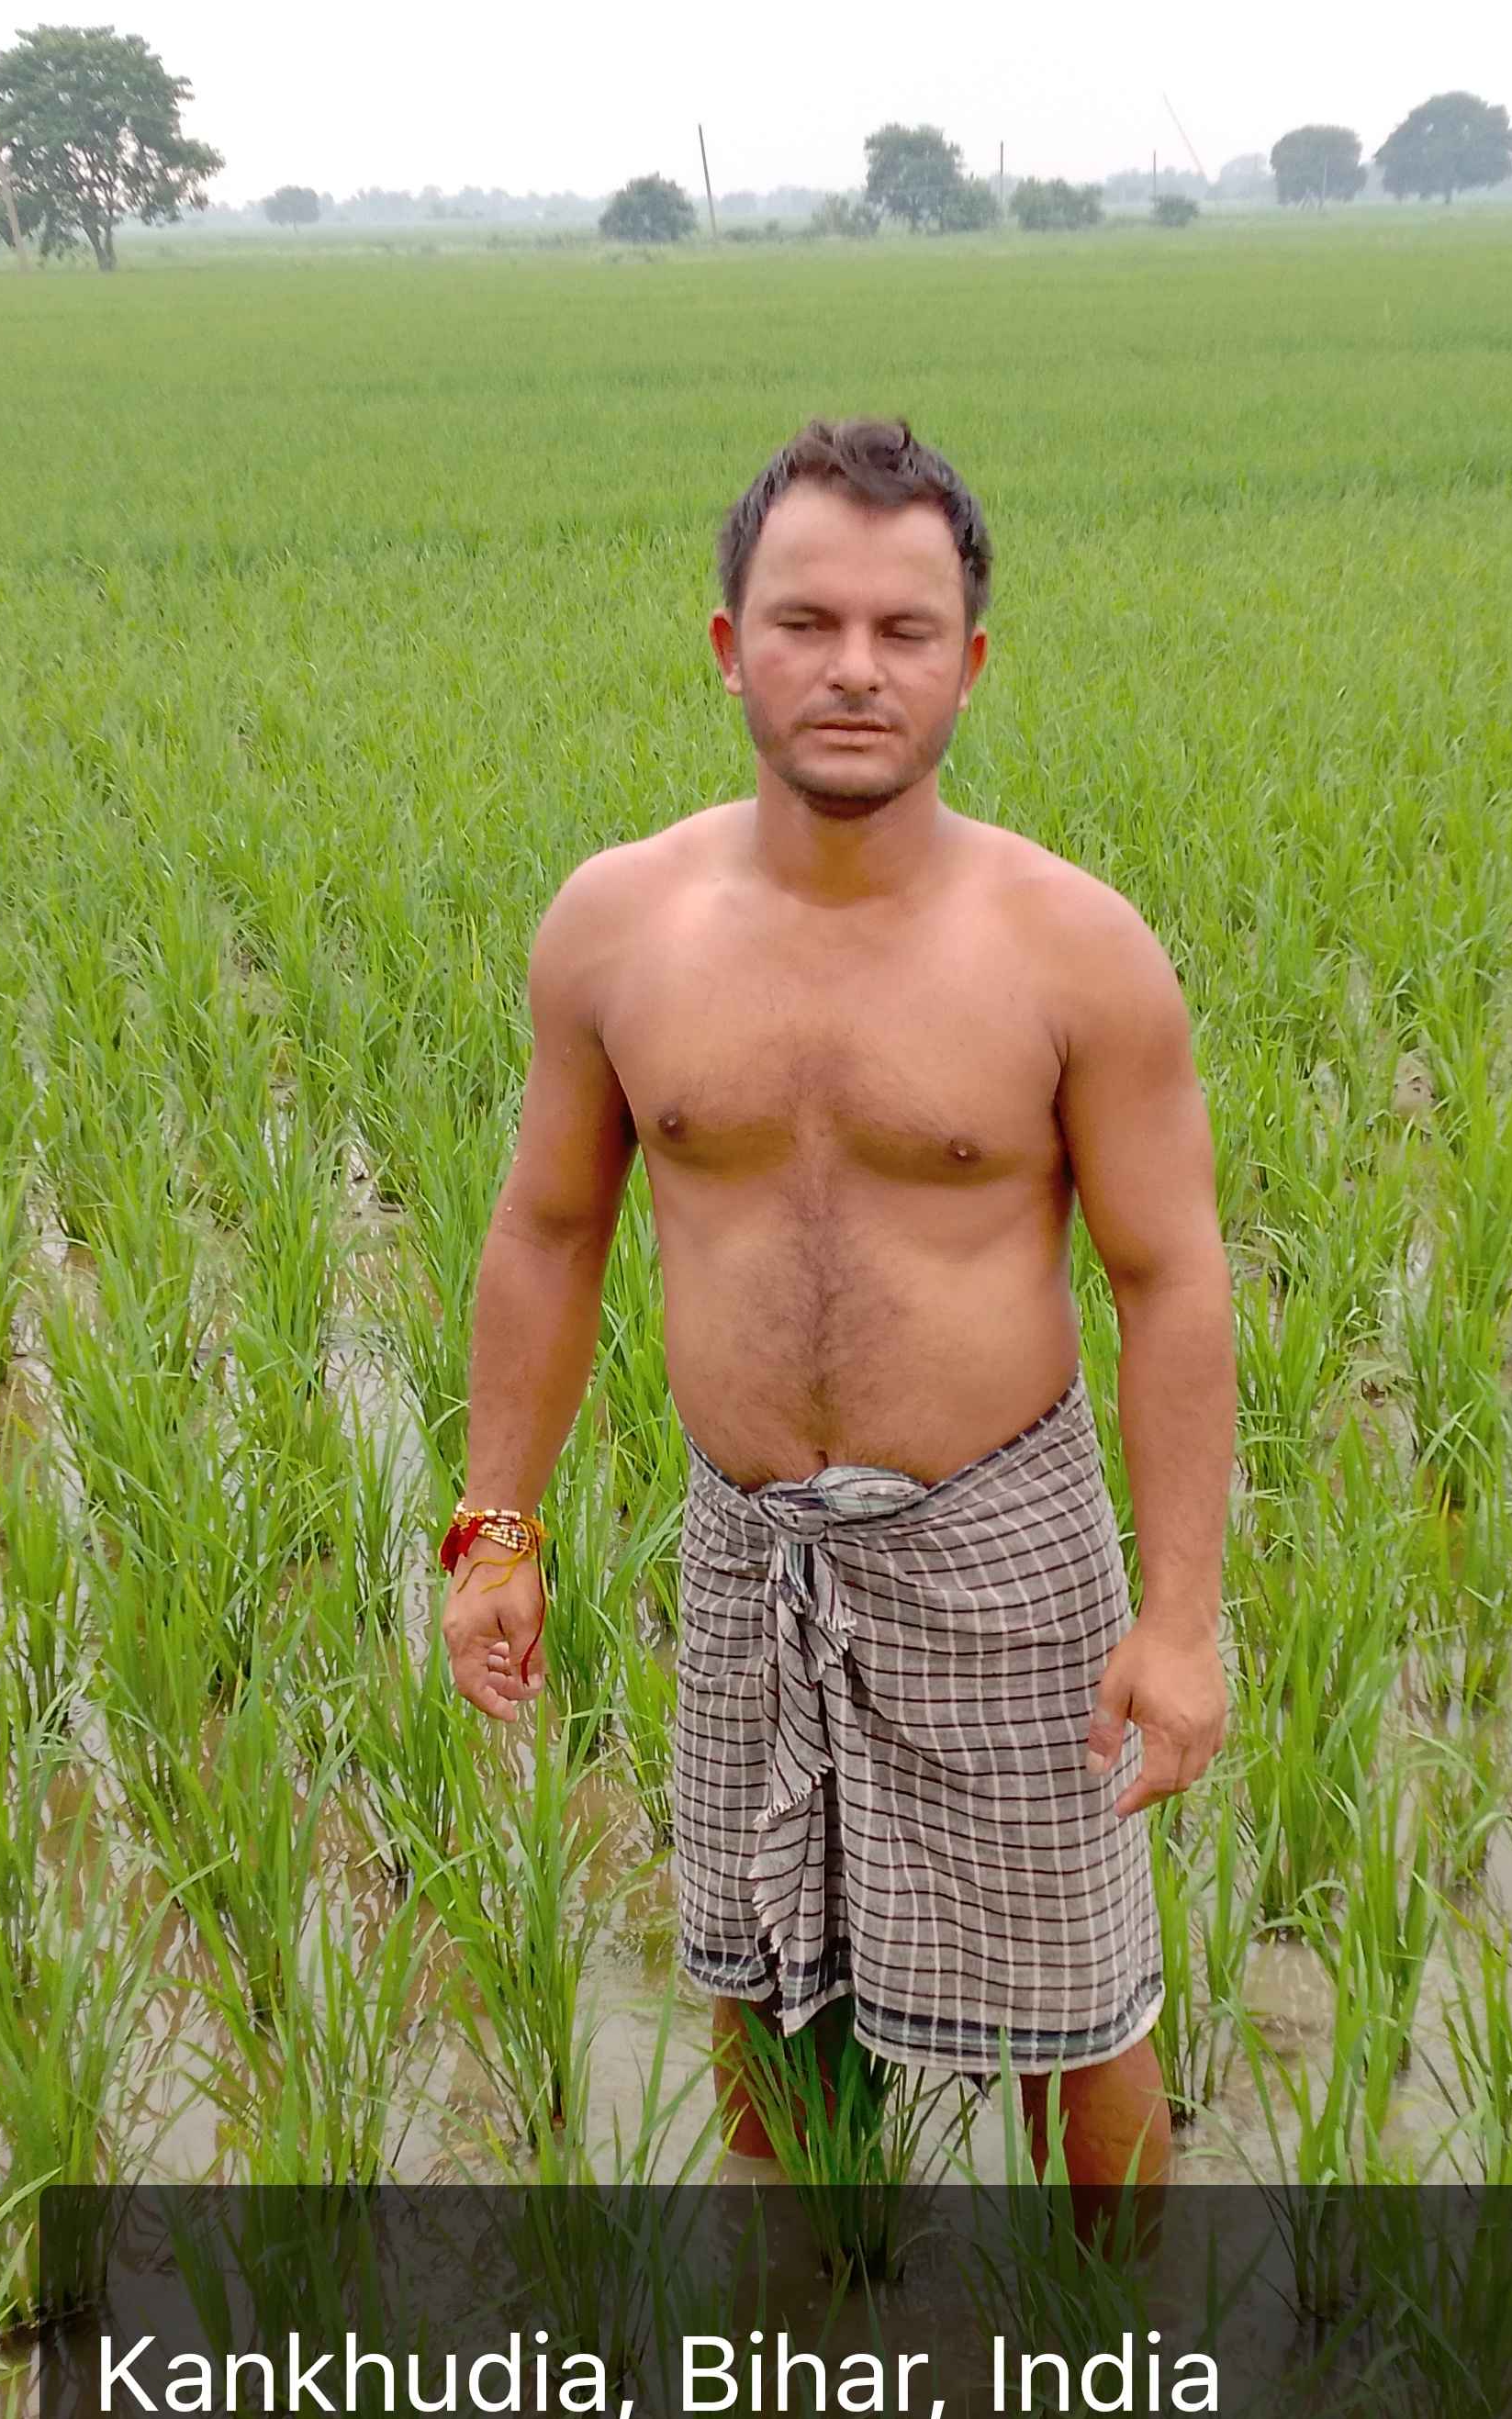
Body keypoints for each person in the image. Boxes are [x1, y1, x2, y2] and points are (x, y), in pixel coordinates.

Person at [435, 415, 1236, 2200]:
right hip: (747, 1549)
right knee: (764, 1997)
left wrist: (1181, 1622)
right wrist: (494, 1531)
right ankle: (806, 2350)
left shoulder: (1072, 949)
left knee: (1081, 2021)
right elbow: (548, 1233)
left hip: (1002, 1555)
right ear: (732, 647)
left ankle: (1111, 2358)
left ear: (970, 664)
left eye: (903, 629)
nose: (855, 668)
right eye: (807, 622)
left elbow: (1170, 1280)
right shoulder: (618, 927)